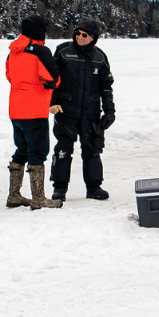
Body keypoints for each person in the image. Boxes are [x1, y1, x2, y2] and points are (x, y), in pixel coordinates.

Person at [49, 19, 115, 201]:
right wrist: (52, 102)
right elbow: (52, 80)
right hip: (65, 111)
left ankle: (94, 187)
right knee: (63, 149)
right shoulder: (63, 52)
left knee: (92, 149)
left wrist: (109, 111)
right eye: (77, 33)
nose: (80, 37)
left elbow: (106, 87)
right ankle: (59, 188)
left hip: (91, 112)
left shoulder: (100, 57)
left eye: (84, 35)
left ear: (93, 37)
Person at [5, 16, 62, 209]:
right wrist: (48, 84)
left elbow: (9, 76)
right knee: (38, 151)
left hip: (16, 109)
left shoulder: (13, 51)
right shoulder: (41, 51)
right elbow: (53, 78)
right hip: (35, 110)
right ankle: (38, 198)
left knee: (21, 150)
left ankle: (14, 195)